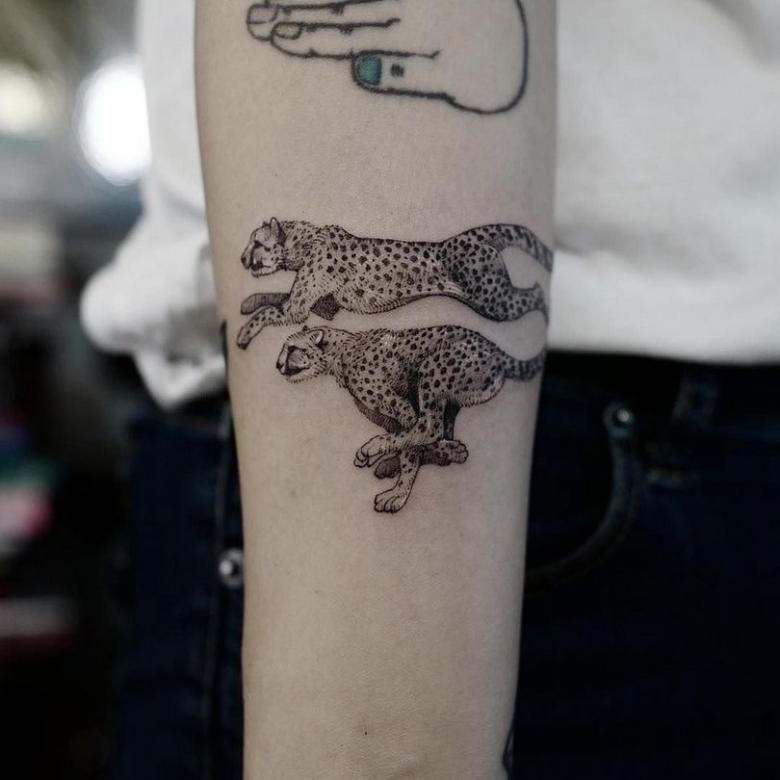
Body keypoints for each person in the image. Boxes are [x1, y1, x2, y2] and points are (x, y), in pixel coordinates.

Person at [81, 1, 780, 777]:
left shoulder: (328, 271)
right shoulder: (323, 278)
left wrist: (379, 748)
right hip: (708, 458)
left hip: (556, 486)